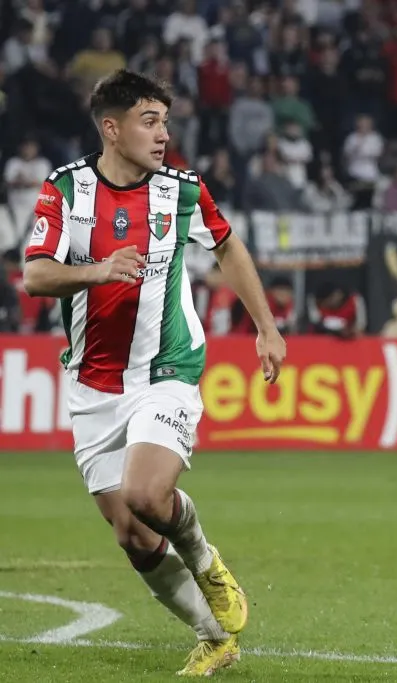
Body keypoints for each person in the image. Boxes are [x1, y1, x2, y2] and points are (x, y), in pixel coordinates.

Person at [22, 69, 287, 676]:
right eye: (150, 121)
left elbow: (227, 247)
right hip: (93, 383)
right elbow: (36, 275)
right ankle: (213, 634)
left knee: (146, 494)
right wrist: (99, 269)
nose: (163, 133)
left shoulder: (182, 191)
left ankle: (204, 556)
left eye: (165, 120)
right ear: (111, 129)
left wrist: (266, 328)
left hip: (165, 367)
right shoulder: (64, 191)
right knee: (130, 532)